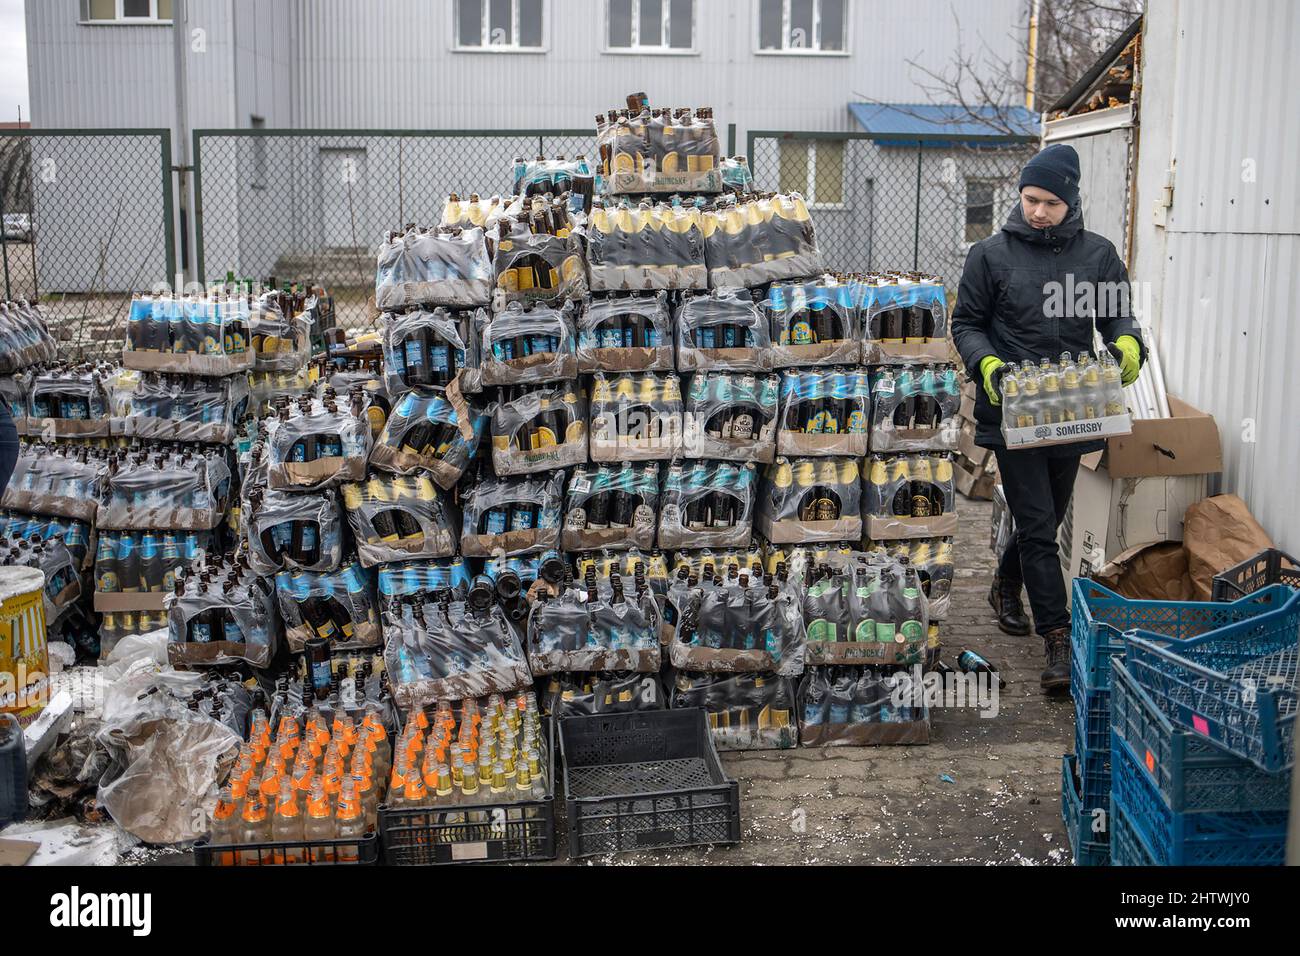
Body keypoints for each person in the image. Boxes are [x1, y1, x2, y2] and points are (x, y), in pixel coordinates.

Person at [951, 144, 1145, 693]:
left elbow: (1119, 318)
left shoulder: (1098, 257)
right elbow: (966, 322)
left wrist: (1128, 346)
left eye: (1051, 203)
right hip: (1014, 411)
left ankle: (1004, 584)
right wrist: (984, 361)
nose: (1038, 211)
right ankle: (1058, 638)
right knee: (1038, 525)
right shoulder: (988, 255)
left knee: (1048, 516)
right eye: (1031, 199)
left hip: (1074, 410)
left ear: (1071, 202)